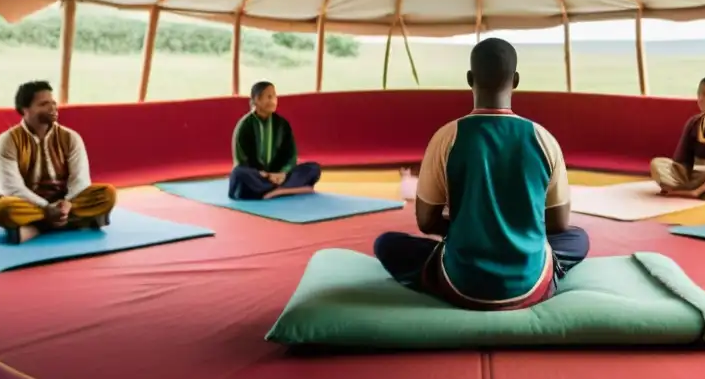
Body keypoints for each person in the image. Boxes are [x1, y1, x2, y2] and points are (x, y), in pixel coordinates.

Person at [373, 38, 590, 311]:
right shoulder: (544, 138)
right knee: (579, 238)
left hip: (461, 283)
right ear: (516, 80)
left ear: (469, 79)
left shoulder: (446, 137)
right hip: (530, 283)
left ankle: (444, 276)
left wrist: (475, 228)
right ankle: (542, 272)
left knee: (387, 244)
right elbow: (559, 224)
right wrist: (516, 228)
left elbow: (426, 222)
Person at [0, 81, 117, 245]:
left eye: (53, 103)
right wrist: (46, 207)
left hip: (65, 202)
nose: (52, 108)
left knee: (107, 194)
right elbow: (11, 187)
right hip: (28, 203)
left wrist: (66, 203)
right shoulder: (7, 141)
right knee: (0, 210)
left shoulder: (70, 137)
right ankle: (77, 222)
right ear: (25, 109)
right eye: (44, 104)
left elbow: (80, 179)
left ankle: (35, 228)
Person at [229, 81, 321, 200]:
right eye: (269, 97)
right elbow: (241, 159)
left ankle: (272, 190)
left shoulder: (282, 124)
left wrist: (283, 173)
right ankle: (287, 189)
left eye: (274, 96)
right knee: (239, 173)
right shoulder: (245, 126)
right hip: (258, 176)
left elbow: (291, 155)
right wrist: (264, 174)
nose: (273, 100)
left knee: (314, 168)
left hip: (279, 176)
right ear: (257, 99)